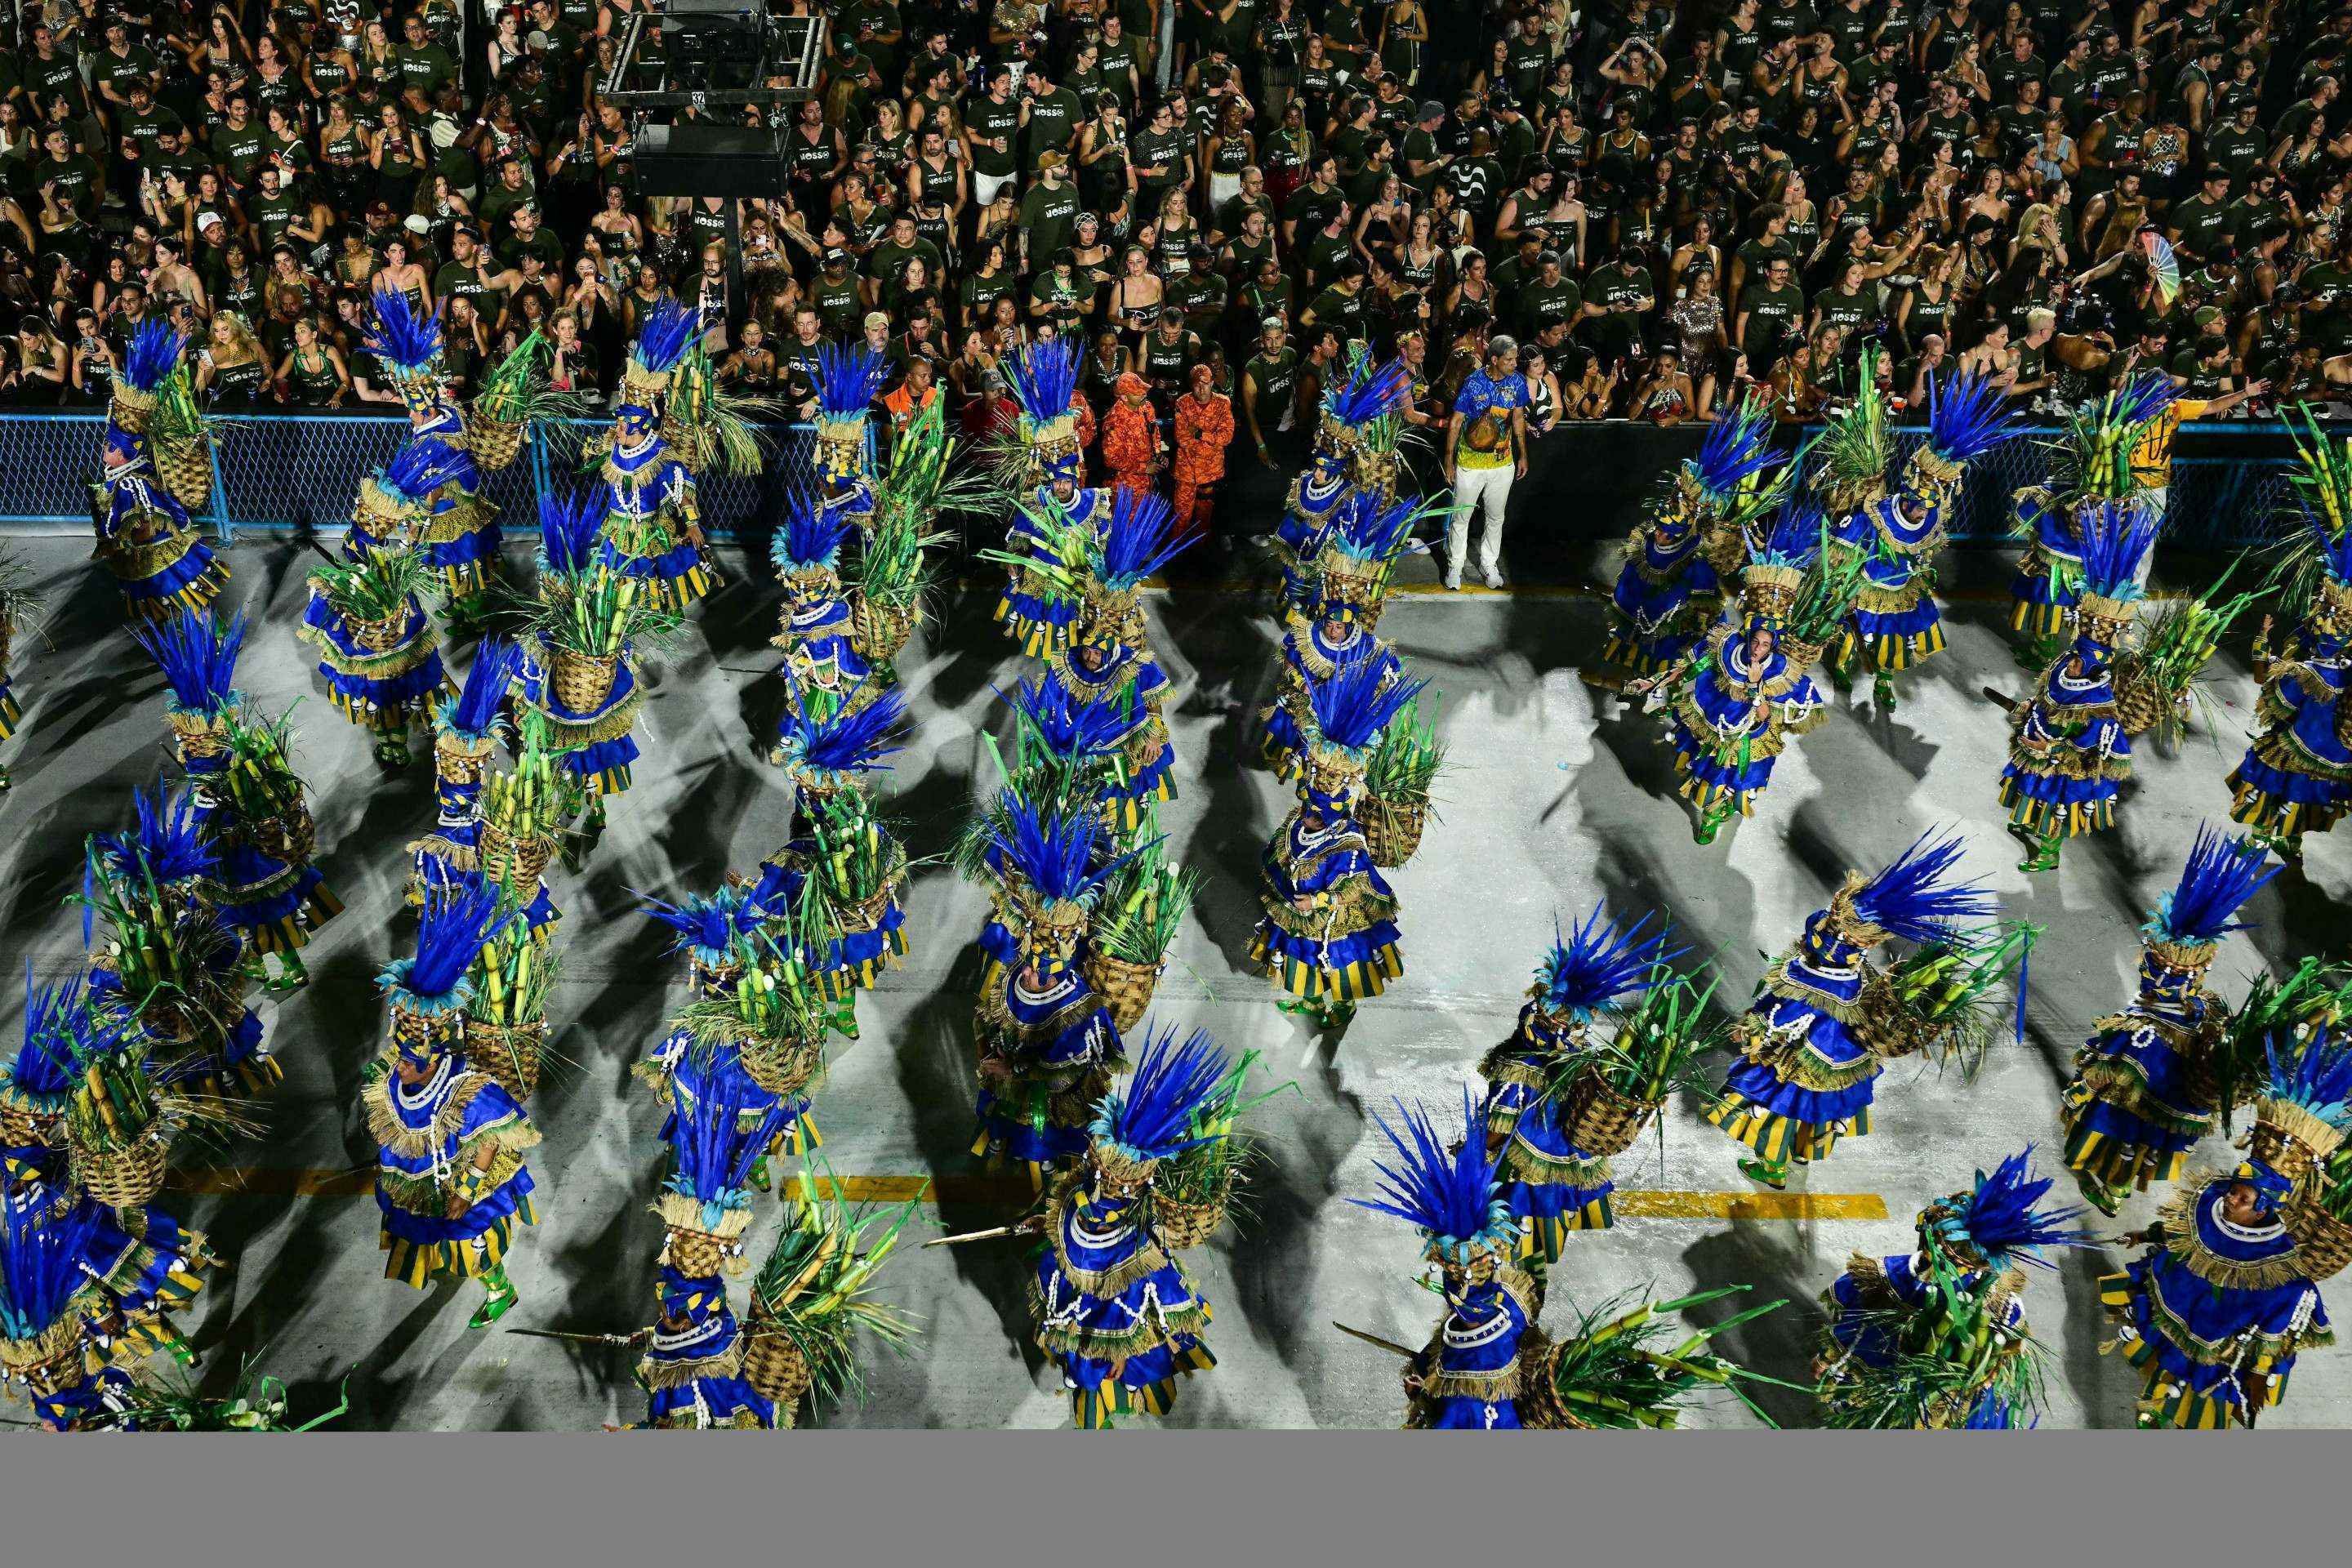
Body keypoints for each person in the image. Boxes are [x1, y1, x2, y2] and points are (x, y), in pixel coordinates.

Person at [2058, 827, 2276, 1214]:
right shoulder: (2209, 1013)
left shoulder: (2141, 1031)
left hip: (2138, 1109)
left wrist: (2082, 1089)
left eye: (2152, 965)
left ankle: (2112, 1189)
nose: (2146, 969)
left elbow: (2103, 1072)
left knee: (2122, 1132)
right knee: (2141, 1142)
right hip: (2169, 1113)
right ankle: (2117, 1189)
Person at [1027, 1026, 1231, 1428]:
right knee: (1088, 1355)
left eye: (1104, 1173)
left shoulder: (1138, 1235)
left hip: (1117, 1316)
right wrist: (1045, 1222)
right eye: (1096, 1168)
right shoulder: (1086, 1194)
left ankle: (1120, 1381)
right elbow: (1065, 1214)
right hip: (1081, 1294)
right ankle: (1098, 1382)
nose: (1097, 1175)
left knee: (1121, 1353)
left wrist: (1119, 1349)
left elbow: (1136, 1296)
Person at [364, 875, 537, 1330]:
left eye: (409, 1062)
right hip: (416, 1177)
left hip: (458, 1182)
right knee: (424, 1230)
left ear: (433, 1058)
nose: (399, 1067)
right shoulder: (397, 1073)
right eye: (400, 1057)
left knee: (470, 1239)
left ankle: (500, 1290)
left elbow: (489, 1142)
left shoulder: (467, 1091)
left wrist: (465, 1190)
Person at [1816, 1150, 2093, 1428]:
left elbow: (1853, 1322)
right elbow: (2006, 1362)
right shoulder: (2006, 1307)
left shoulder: (1892, 1279)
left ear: (1932, 1247)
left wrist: (1829, 1360)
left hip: (1897, 1398)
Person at [1482, 909, 1685, 1263]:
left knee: (1515, 1237)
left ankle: (1522, 1274)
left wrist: (1475, 1160)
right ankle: (1536, 1270)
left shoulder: (1519, 1072)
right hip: (1568, 1167)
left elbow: (1497, 1131)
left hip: (1526, 1174)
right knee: (1547, 1231)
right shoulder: (1586, 1061)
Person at [1354, 1091, 1546, 1429]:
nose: (1454, 1285)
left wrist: (1424, 1393)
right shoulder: (1514, 1307)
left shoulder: (1471, 1377)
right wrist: (1424, 1381)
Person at [1641, 507, 1832, 844]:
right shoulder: (1726, 644)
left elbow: (1767, 716)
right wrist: (1658, 682)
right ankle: (1709, 809)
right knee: (1705, 774)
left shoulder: (1782, 673)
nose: (1758, 648)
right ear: (1748, 634)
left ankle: (1715, 816)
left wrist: (1757, 686)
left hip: (1749, 739)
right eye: (1755, 640)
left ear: (1774, 645)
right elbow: (1691, 664)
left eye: (1765, 644)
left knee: (1733, 784)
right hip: (1714, 720)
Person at [1253, 659, 1424, 1032]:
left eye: (1317, 814)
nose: (1309, 816)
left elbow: (1354, 887)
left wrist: (1319, 902)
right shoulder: (1302, 820)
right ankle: (1312, 1000)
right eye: (1308, 810)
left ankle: (1343, 1007)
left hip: (1330, 915)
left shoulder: (1347, 846)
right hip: (1300, 909)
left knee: (1340, 961)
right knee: (1303, 956)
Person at [2101, 1159, 2335, 1429]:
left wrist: (2259, 1371)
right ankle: (2156, 1404)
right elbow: (2179, 1231)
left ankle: (2186, 1418)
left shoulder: (2278, 1272)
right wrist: (2143, 1236)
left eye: (2243, 1199)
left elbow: (2276, 1321)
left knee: (2203, 1382)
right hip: (2181, 1307)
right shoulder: (2209, 1207)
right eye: (2233, 1191)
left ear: (2260, 1213)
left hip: (2222, 1340)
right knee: (2170, 1359)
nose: (2230, 1199)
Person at [1997, 506, 2159, 873]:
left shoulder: (2098, 703)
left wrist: (2052, 747)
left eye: (2079, 661)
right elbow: (2048, 698)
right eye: (2074, 655)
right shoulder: (2067, 665)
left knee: (2054, 803)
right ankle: (2030, 823)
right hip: (2039, 744)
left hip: (2065, 764)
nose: (2072, 662)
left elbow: (2090, 743)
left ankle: (2049, 853)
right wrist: (2031, 711)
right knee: (2032, 791)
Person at [2228, 478, 2352, 865]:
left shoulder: (2309, 672)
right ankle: (2292, 843)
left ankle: (2259, 842)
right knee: (2310, 795)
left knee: (2272, 783)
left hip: (2298, 744)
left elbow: (2272, 695)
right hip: (2334, 756)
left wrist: (2264, 650)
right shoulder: (2344, 669)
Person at [91, 322, 229, 625]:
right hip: (144, 557)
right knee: (166, 601)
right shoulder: (128, 472)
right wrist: (112, 360)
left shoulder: (132, 483)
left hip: (161, 552)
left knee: (186, 594)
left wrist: (111, 536)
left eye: (109, 446)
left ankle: (213, 635)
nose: (104, 449)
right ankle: (184, 636)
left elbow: (144, 515)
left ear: (123, 453)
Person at [1441, 332, 1527, 589]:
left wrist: (1523, 454)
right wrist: (1449, 460)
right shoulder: (1473, 383)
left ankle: (1489, 565)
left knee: (1496, 518)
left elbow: (1518, 418)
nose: (1514, 364)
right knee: (1461, 518)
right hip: (1470, 463)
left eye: (1515, 359)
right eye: (1509, 360)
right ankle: (1455, 566)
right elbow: (1456, 421)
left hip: (1502, 464)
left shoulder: (1518, 382)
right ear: (1494, 359)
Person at [1169, 361, 1234, 546]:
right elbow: (1182, 438)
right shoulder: (1182, 403)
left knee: (1204, 517)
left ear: (1212, 383)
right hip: (1186, 471)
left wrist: (1199, 434)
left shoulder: (1223, 403)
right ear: (1191, 385)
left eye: (1205, 383)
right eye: (1197, 384)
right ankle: (1175, 553)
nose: (1202, 388)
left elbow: (1227, 437)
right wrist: (1211, 440)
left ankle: (1202, 552)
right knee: (1181, 516)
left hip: (1210, 471)